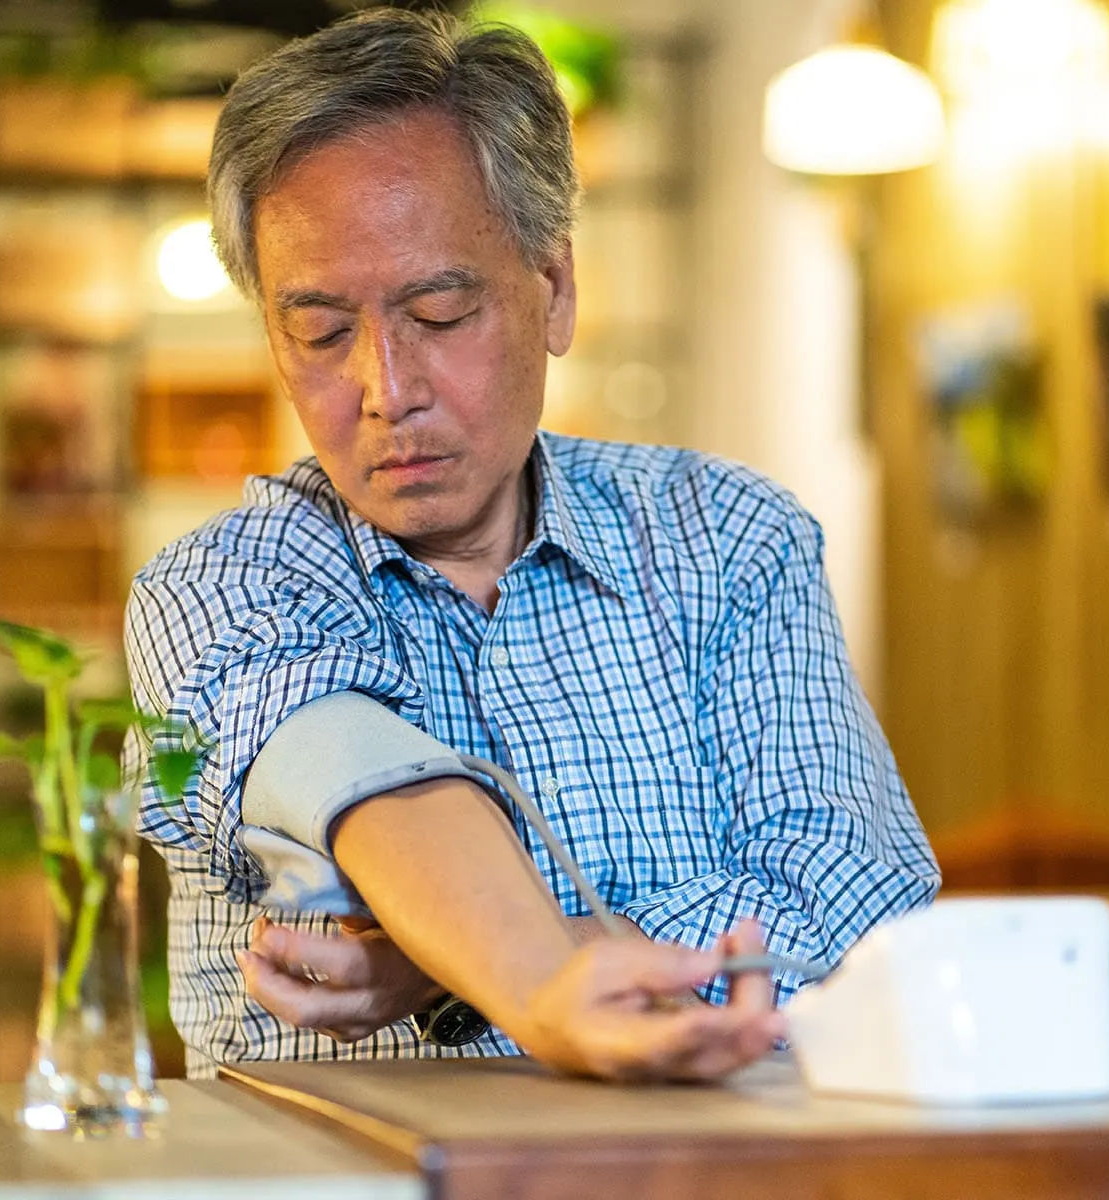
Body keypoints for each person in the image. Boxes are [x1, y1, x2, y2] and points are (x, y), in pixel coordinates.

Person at [125, 6, 940, 1083]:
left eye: (442, 311)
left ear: (552, 286)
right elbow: (359, 776)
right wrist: (549, 976)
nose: (387, 389)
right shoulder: (220, 586)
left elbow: (856, 916)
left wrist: (459, 968)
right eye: (319, 332)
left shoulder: (730, 543)